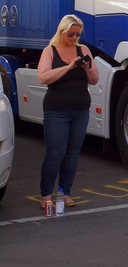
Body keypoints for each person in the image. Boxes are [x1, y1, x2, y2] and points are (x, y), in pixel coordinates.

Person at [38, 14, 99, 208]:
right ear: (62, 32)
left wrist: (87, 66)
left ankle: (65, 192)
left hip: (80, 109)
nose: (74, 38)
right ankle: (46, 196)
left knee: (72, 153)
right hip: (56, 110)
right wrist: (70, 66)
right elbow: (44, 77)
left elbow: (94, 79)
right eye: (71, 34)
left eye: (77, 34)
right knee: (55, 153)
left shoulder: (83, 49)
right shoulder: (50, 51)